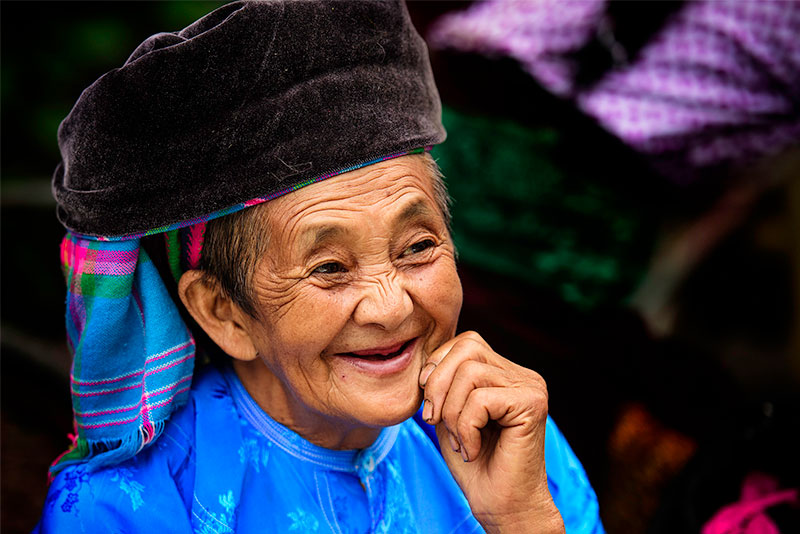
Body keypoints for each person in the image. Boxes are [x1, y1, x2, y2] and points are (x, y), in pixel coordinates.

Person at [35, 2, 604, 533]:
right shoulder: (128, 508)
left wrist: (523, 517)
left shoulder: (512, 435)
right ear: (223, 311)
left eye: (417, 247)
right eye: (330, 267)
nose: (391, 306)